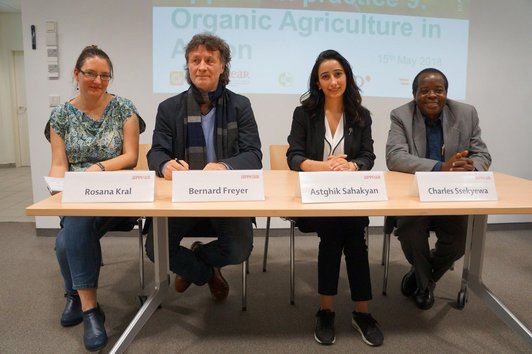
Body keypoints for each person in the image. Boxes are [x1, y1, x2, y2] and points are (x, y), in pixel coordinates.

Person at [145, 33, 262, 302]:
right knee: (156, 248)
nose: (201, 66)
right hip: (181, 198)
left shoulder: (240, 105)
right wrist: (165, 165)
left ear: (223, 67)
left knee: (239, 250)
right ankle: (207, 274)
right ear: (187, 66)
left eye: (210, 60)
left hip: (226, 195)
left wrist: (224, 166)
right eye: (195, 60)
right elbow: (156, 152)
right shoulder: (168, 108)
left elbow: (254, 155)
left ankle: (198, 256)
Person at [45, 45, 145, 351]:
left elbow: (130, 157)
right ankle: (90, 309)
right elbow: (60, 163)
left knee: (66, 240)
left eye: (105, 75)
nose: (98, 81)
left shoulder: (124, 108)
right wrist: (57, 187)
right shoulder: (60, 115)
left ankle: (76, 298)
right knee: (70, 233)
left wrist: (99, 167)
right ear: (76, 74)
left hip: (117, 196)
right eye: (91, 73)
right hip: (77, 196)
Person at [287, 50, 383, 347]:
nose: (333, 81)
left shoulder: (361, 115)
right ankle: (327, 311)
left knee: (353, 236)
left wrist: (352, 165)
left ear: (347, 77)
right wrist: (323, 166)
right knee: (334, 234)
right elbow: (294, 156)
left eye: (338, 74)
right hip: (315, 195)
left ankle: (360, 313)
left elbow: (368, 156)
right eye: (325, 76)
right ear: (317, 82)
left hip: (350, 195)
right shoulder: (304, 114)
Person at [385, 68, 491, 310]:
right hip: (415, 196)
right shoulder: (401, 115)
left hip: (452, 196)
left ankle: (422, 276)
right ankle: (425, 286)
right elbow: (395, 157)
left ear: (446, 93)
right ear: (414, 94)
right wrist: (441, 167)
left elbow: (482, 153)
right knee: (410, 230)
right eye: (424, 91)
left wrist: (471, 166)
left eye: (438, 90)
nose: (432, 95)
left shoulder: (466, 113)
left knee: (460, 240)